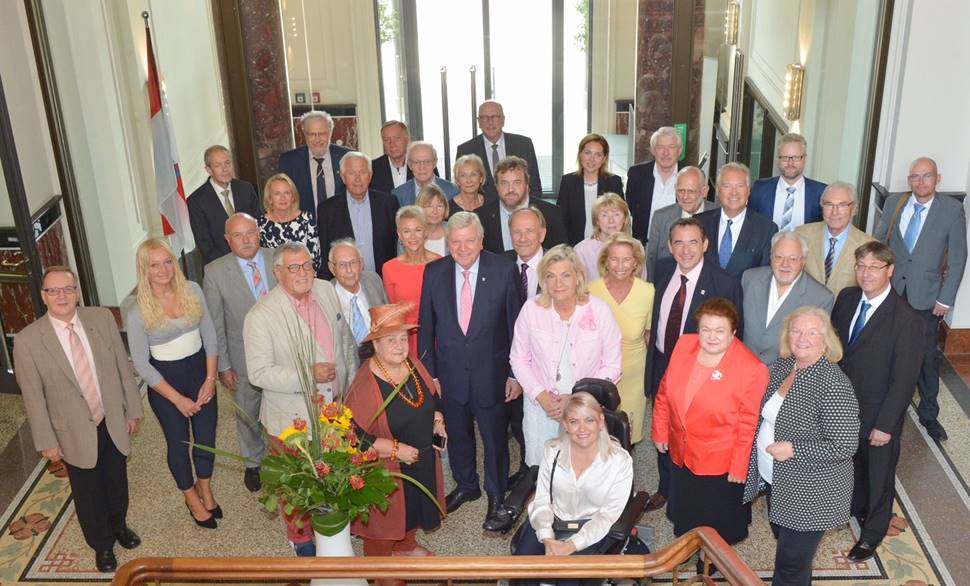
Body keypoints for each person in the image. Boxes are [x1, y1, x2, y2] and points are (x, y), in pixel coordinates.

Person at [16, 266, 143, 573]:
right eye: (54, 291)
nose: (62, 296)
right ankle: (101, 544)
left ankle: (119, 525)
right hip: (70, 430)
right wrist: (47, 441)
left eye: (68, 289)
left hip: (111, 419)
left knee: (116, 480)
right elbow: (33, 397)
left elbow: (122, 367)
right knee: (88, 492)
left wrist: (133, 409)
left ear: (77, 293)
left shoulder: (101, 319)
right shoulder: (28, 340)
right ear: (44, 296)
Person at [243, 241, 358, 555]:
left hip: (334, 410)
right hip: (292, 419)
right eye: (293, 267)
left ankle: (332, 526)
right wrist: (308, 374)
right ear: (278, 273)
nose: (303, 272)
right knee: (297, 485)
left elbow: (344, 341)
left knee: (331, 473)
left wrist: (350, 387)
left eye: (307, 264)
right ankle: (301, 539)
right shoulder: (261, 316)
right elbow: (259, 374)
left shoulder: (326, 290)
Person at [417, 212, 523, 530]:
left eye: (469, 241)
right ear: (448, 243)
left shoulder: (503, 270)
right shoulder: (434, 272)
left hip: (492, 375)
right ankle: (467, 485)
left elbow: (517, 328)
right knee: (458, 435)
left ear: (481, 241)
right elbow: (426, 328)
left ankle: (496, 494)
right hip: (449, 376)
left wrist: (514, 374)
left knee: (494, 439)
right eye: (456, 242)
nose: (462, 248)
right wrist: (431, 375)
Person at [743, 307, 860, 586]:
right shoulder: (785, 366)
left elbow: (845, 445)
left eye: (812, 332)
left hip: (810, 492)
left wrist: (795, 449)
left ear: (826, 340)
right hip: (779, 481)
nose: (802, 338)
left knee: (790, 565)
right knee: (789, 551)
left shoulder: (833, 384)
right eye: (796, 331)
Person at [831, 241, 923, 561]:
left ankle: (872, 533)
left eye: (874, 267)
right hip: (844, 407)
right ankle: (855, 510)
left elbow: (904, 380)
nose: (866, 273)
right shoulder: (847, 298)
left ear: (890, 270)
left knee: (879, 476)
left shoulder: (907, 319)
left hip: (879, 413)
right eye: (861, 266)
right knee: (854, 466)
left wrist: (885, 425)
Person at [652, 298, 768, 546]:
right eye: (705, 329)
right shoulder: (684, 345)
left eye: (720, 331)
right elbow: (664, 391)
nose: (711, 337)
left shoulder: (751, 369)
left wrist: (739, 466)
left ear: (733, 332)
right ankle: (687, 545)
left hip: (718, 462)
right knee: (686, 512)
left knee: (714, 522)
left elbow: (748, 424)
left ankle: (710, 559)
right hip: (682, 450)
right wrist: (660, 430)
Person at [648, 217, 742, 511]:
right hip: (662, 361)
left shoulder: (724, 283)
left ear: (705, 245)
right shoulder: (662, 270)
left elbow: (735, 336)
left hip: (700, 371)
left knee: (690, 430)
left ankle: (687, 488)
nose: (686, 250)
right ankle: (665, 486)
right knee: (664, 423)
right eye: (679, 242)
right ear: (669, 246)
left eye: (693, 242)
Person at [125, 239, 220, 529]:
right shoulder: (136, 312)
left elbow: (210, 337)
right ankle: (191, 497)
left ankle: (205, 488)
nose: (163, 269)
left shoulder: (193, 290)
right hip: (165, 383)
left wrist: (210, 379)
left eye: (168, 261)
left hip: (200, 372)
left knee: (206, 438)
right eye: (154, 265)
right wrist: (177, 399)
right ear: (144, 270)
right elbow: (141, 364)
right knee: (178, 444)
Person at [345, 302, 447, 568]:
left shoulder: (412, 364)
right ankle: (379, 565)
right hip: (387, 467)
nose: (400, 346)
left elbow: (432, 398)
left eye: (403, 338)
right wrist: (393, 449)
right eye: (391, 340)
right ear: (375, 344)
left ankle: (405, 545)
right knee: (384, 523)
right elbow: (352, 434)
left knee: (412, 509)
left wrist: (437, 421)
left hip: (420, 458)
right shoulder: (365, 384)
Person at [873, 156, 967, 442]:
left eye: (927, 176)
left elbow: (959, 258)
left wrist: (945, 300)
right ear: (909, 179)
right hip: (892, 293)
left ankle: (929, 414)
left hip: (926, 297)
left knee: (926, 358)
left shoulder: (951, 210)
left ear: (937, 179)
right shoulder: (895, 203)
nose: (921, 182)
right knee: (885, 351)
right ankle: (882, 404)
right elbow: (879, 243)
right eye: (915, 176)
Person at [510, 245, 622, 466]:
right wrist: (540, 395)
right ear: (543, 280)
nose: (558, 283)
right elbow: (519, 359)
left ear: (579, 277)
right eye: (550, 276)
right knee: (543, 468)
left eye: (566, 275)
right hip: (543, 407)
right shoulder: (531, 309)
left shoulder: (599, 310)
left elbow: (613, 364)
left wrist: (576, 397)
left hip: (584, 408)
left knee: (583, 469)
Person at [513, 392, 634, 568]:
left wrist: (570, 546)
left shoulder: (620, 462)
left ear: (601, 421)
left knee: (567, 577)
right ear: (565, 425)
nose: (582, 429)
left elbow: (607, 515)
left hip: (590, 530)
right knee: (519, 571)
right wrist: (547, 537)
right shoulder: (553, 452)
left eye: (589, 420)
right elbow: (542, 500)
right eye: (574, 422)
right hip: (552, 521)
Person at [202, 213, 276, 493]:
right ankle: (253, 462)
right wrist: (223, 365)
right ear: (227, 240)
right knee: (247, 411)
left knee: (284, 405)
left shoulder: (278, 258)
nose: (245, 240)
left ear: (259, 233)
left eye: (250, 233)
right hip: (242, 356)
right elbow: (215, 323)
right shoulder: (215, 272)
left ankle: (288, 456)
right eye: (237, 235)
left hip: (282, 352)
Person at [588, 233, 655, 443]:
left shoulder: (648, 292)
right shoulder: (590, 291)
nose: (620, 265)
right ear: (605, 261)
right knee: (596, 434)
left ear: (635, 262)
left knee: (627, 437)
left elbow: (649, 335)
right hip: (598, 374)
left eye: (626, 259)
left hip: (633, 376)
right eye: (614, 259)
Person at [741, 232, 833, 365]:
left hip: (784, 375)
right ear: (771, 258)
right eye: (779, 257)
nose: (785, 264)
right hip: (742, 368)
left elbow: (813, 351)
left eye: (793, 259)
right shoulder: (749, 279)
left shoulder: (821, 298)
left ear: (803, 261)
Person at [506, 206, 550, 484]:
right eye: (516, 232)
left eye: (529, 231)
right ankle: (526, 468)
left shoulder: (558, 265)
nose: (523, 238)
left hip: (548, 362)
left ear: (542, 233)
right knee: (517, 420)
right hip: (512, 360)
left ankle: (545, 473)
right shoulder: (499, 265)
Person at [316, 151, 400, 278]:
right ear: (343, 177)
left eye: (362, 172)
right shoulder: (327, 210)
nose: (357, 178)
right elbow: (324, 253)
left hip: (384, 280)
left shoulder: (388, 203)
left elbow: (396, 246)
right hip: (344, 282)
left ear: (370, 175)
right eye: (351, 173)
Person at [696, 162, 778, 279]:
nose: (734, 192)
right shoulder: (699, 223)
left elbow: (764, 278)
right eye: (727, 186)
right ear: (718, 190)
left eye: (740, 186)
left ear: (749, 190)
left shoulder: (767, 229)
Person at [794, 181, 874, 296]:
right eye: (829, 204)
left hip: (844, 307)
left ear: (854, 209)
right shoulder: (801, 234)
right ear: (822, 206)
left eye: (842, 205)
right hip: (803, 305)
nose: (834, 212)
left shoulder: (869, 245)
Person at [476, 156, 567, 253]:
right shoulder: (480, 217)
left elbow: (560, 255)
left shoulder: (551, 214)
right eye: (505, 183)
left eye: (517, 183)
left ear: (527, 185)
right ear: (497, 187)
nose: (511, 189)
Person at [188, 145, 261, 265]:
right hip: (220, 265)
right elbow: (204, 243)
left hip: (254, 259)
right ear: (209, 170)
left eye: (227, 163)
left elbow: (258, 225)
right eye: (218, 165)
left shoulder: (246, 189)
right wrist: (232, 264)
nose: (225, 169)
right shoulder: (196, 200)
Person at [456, 100, 542, 199]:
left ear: (503, 120)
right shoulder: (465, 150)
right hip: (481, 208)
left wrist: (525, 208)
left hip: (519, 207)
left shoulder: (524, 145)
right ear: (479, 122)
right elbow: (462, 190)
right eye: (484, 117)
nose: (490, 122)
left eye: (495, 117)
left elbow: (534, 186)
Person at [383, 207, 440, 351]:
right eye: (407, 231)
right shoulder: (389, 268)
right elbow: (393, 311)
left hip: (436, 337)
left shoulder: (440, 263)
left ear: (426, 232)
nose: (413, 236)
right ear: (399, 235)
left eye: (418, 230)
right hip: (404, 340)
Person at [646, 166, 717, 277]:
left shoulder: (718, 215)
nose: (685, 196)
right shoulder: (661, 217)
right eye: (680, 190)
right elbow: (651, 259)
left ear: (704, 191)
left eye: (691, 191)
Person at [278, 110, 350, 215]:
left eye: (322, 134)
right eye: (312, 134)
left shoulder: (347, 157)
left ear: (330, 132)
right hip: (304, 223)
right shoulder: (289, 161)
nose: (317, 140)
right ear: (304, 134)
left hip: (341, 223)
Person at [556, 133, 625, 245]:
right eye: (587, 153)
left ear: (604, 158)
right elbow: (561, 220)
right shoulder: (568, 181)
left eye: (598, 155)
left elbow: (621, 218)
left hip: (607, 245)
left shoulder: (614, 182)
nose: (592, 159)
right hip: (575, 246)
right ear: (580, 154)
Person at [749, 133, 826, 230]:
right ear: (778, 159)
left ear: (805, 158)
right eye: (785, 157)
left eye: (796, 157)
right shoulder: (760, 189)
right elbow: (750, 224)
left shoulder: (822, 192)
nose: (790, 163)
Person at [626, 126, 685, 245]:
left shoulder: (690, 175)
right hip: (643, 246)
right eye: (660, 147)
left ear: (679, 151)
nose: (666, 153)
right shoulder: (636, 174)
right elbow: (629, 207)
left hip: (680, 246)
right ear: (653, 150)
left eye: (671, 147)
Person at [328, 239, 389, 345]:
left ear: (361, 264)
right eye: (342, 264)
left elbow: (389, 321)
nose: (349, 270)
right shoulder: (325, 296)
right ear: (332, 268)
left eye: (353, 263)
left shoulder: (373, 281)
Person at [257, 173, 322, 273]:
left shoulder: (306, 218)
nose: (283, 198)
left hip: (305, 275)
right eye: (277, 194)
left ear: (293, 197)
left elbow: (315, 258)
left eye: (287, 193)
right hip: (275, 278)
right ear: (269, 199)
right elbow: (262, 261)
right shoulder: (260, 224)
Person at [573, 193, 631, 280]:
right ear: (597, 221)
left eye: (616, 214)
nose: (611, 221)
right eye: (604, 215)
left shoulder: (635, 248)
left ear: (625, 219)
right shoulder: (581, 251)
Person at [370, 120, 438, 193]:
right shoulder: (372, 168)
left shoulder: (424, 164)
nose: (392, 144)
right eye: (386, 140)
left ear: (407, 139)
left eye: (397, 138)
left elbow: (437, 192)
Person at [392, 142, 458, 207]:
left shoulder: (453, 191)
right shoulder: (397, 195)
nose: (422, 167)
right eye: (417, 162)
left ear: (435, 163)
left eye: (427, 162)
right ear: (409, 165)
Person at [416, 183, 450, 256]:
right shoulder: (408, 234)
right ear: (420, 208)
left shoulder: (454, 230)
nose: (435, 211)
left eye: (439, 206)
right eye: (429, 206)